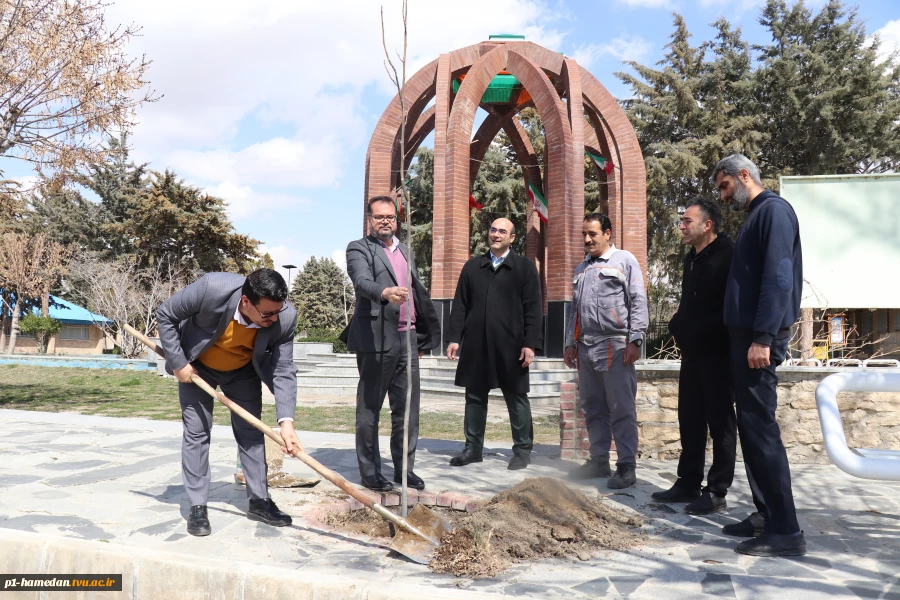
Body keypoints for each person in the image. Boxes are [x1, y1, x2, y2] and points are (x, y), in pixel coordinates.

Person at [157, 268, 301, 537]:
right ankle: (198, 505)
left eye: (277, 312)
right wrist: (179, 364)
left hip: (243, 372)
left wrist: (287, 424)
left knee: (251, 434)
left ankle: (259, 501)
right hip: (197, 368)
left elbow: (283, 369)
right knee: (197, 432)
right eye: (267, 314)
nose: (273, 319)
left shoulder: (285, 317)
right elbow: (166, 314)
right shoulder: (212, 287)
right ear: (246, 302)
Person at [712, 153, 806, 557]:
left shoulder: (774, 212)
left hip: (758, 341)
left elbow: (779, 277)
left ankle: (785, 530)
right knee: (750, 429)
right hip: (746, 338)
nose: (722, 195)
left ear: (744, 175)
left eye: (724, 186)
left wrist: (764, 338)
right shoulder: (757, 215)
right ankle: (765, 513)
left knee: (761, 430)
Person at [345, 195, 440, 493]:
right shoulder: (359, 248)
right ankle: (370, 472)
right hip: (376, 340)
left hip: (408, 339)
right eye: (379, 216)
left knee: (408, 410)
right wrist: (383, 292)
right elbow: (360, 281)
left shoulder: (405, 251)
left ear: (396, 219)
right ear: (370, 220)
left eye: (390, 216)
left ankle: (403, 470)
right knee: (369, 409)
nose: (385, 221)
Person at [652, 197, 737, 515]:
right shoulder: (692, 259)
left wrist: (701, 332)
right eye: (681, 220)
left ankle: (716, 491)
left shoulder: (728, 256)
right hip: (692, 355)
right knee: (689, 419)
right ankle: (688, 482)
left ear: (707, 225)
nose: (681, 226)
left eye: (687, 221)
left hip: (718, 354)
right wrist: (678, 326)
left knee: (720, 423)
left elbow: (730, 309)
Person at [445, 218, 543, 471]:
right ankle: (472, 448)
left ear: (512, 238)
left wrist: (530, 344)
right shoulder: (472, 267)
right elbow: (460, 306)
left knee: (516, 397)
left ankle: (522, 450)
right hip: (476, 344)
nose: (496, 234)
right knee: (475, 396)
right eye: (493, 230)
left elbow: (533, 309)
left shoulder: (523, 267)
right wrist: (454, 338)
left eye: (502, 231)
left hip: (511, 345)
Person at [564, 213, 649, 489]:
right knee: (593, 407)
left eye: (593, 234)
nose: (587, 239)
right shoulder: (581, 269)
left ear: (608, 233)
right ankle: (599, 461)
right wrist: (569, 343)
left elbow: (637, 299)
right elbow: (574, 311)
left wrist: (636, 340)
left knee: (621, 408)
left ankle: (626, 466)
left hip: (615, 345)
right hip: (586, 347)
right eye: (584, 235)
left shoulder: (625, 260)